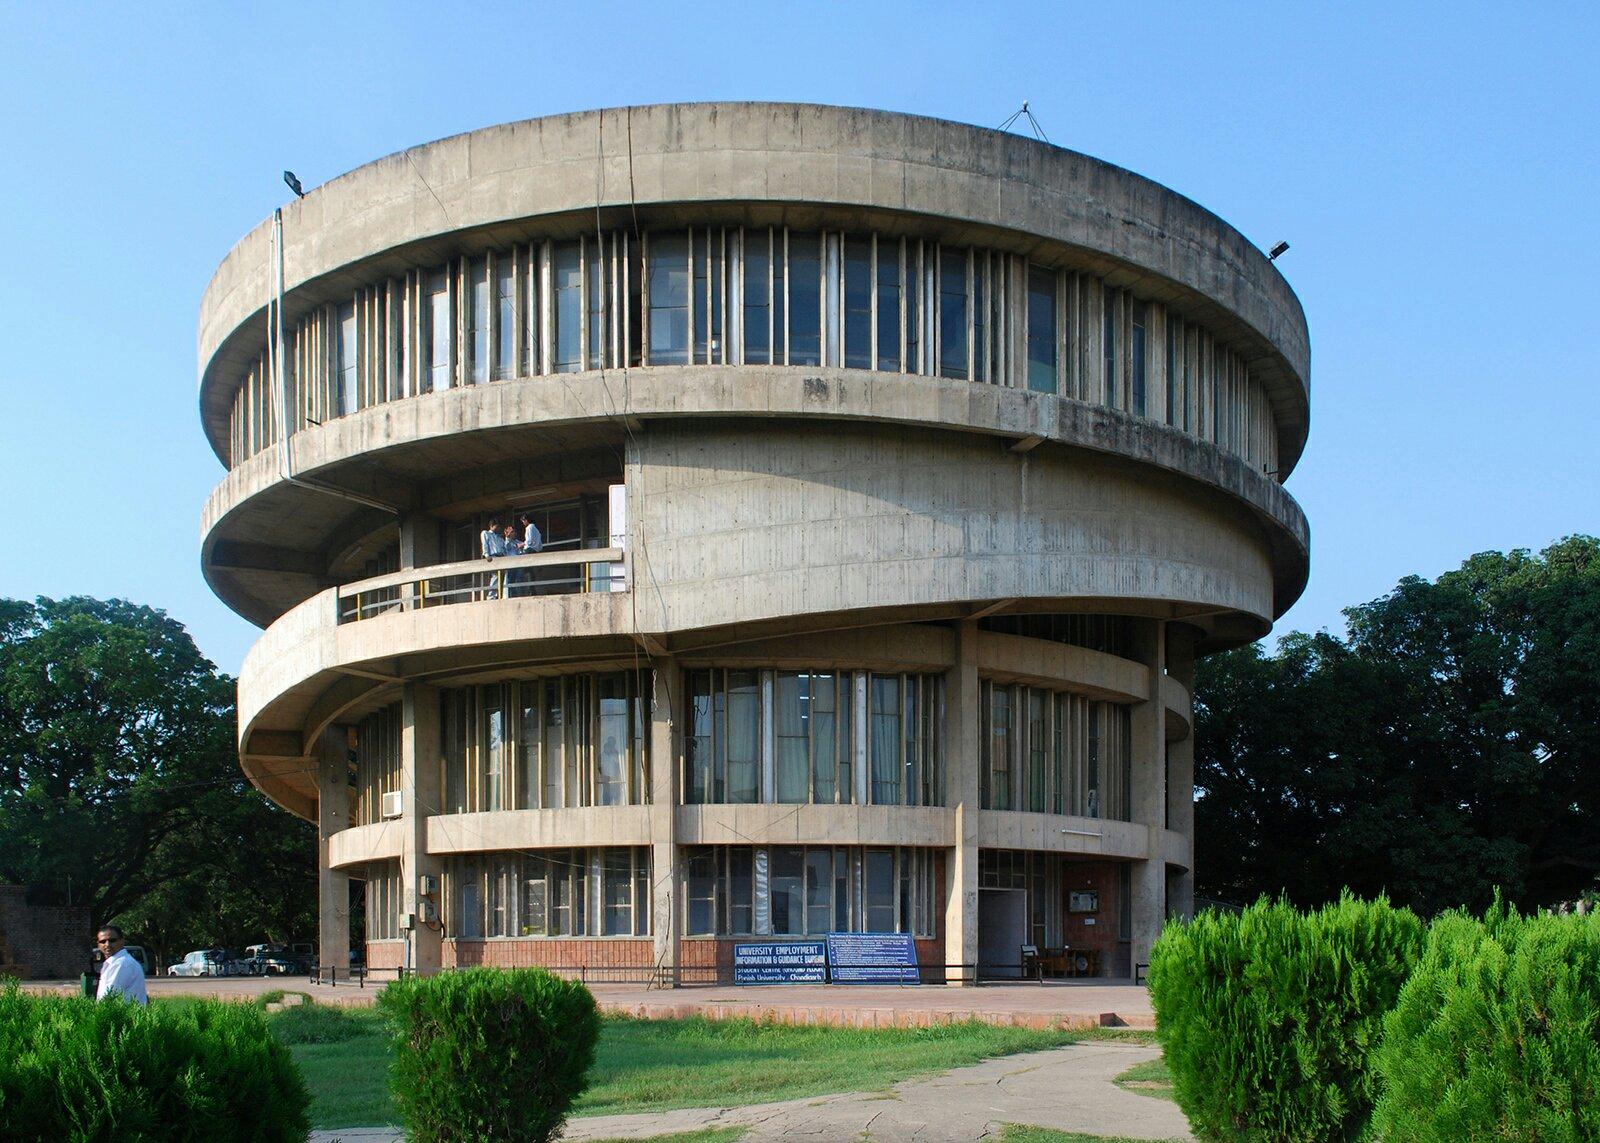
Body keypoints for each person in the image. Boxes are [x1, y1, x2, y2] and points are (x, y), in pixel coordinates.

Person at [94, 925, 148, 1005]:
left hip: (123, 1015)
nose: (107, 944)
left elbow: (109, 997)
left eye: (112, 940)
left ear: (122, 941)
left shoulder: (121, 964)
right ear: (98, 944)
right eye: (103, 941)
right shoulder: (116, 963)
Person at [480, 517, 506, 599]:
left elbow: (503, 548)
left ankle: (501, 595)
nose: (498, 528)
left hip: (501, 557)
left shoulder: (499, 538)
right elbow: (485, 544)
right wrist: (487, 555)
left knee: (502, 577)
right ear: (491, 526)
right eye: (497, 526)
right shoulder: (486, 533)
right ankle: (491, 596)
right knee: (495, 576)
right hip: (493, 557)